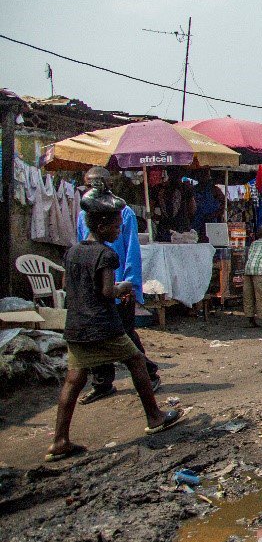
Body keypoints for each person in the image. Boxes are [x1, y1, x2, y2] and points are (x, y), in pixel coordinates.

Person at [47, 192, 180, 462]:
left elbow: (66, 287)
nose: (120, 231)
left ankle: (60, 440)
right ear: (102, 226)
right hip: (103, 324)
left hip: (75, 325)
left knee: (74, 380)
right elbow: (108, 291)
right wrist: (125, 287)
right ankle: (154, 417)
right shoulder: (106, 255)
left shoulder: (72, 252)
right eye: (117, 226)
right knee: (136, 361)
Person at [74, 166, 159, 404]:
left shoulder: (124, 213)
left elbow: (131, 250)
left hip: (118, 282)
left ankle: (149, 372)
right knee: (98, 335)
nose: (93, 188)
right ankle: (102, 383)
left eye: (97, 183)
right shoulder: (84, 214)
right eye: (90, 184)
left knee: (124, 333)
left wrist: (129, 284)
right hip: (95, 285)